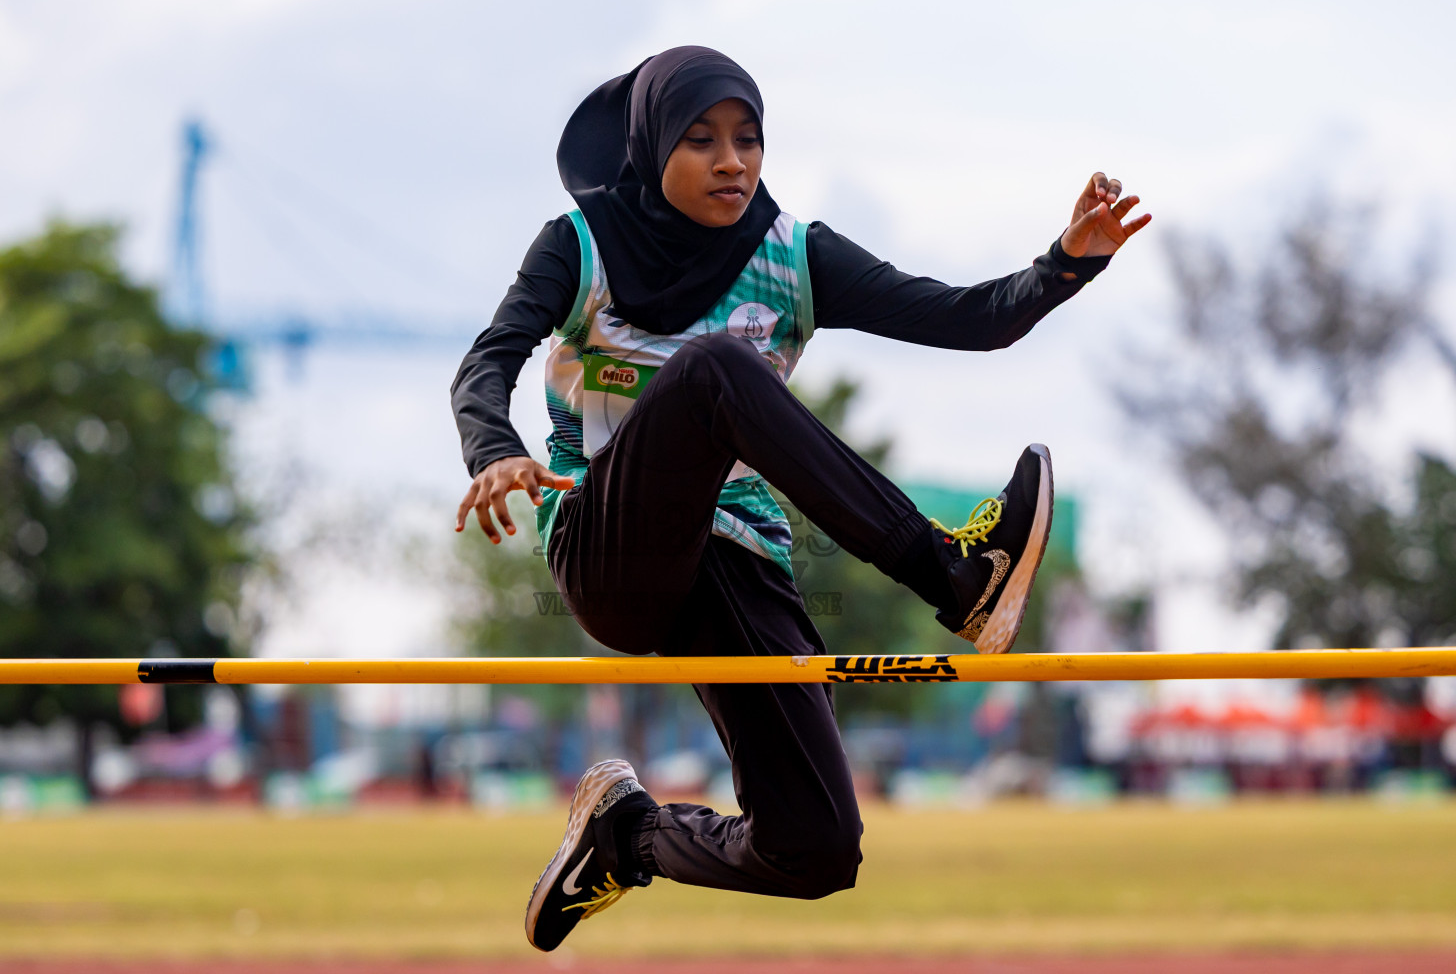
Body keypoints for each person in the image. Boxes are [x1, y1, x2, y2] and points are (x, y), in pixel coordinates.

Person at [450, 46, 1149, 952]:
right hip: (609, 551)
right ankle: (957, 580)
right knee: (715, 371)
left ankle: (625, 837)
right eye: (701, 140)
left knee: (816, 848)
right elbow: (489, 358)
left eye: (749, 139)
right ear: (652, 143)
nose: (733, 161)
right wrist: (494, 449)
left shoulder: (792, 255)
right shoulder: (580, 245)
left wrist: (1065, 263)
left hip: (736, 558)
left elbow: (965, 318)